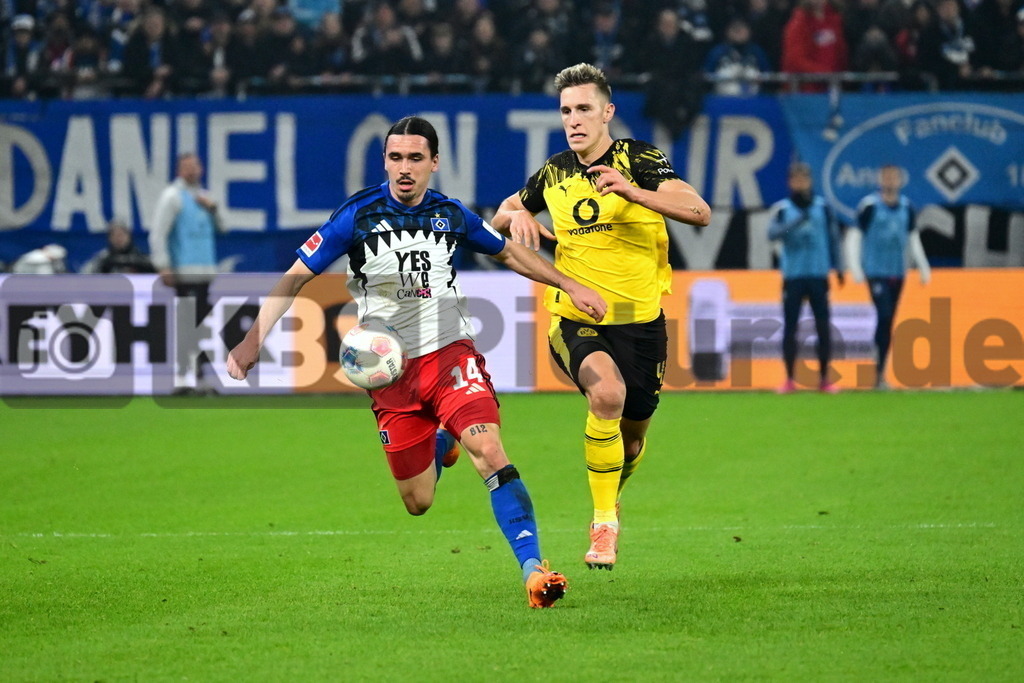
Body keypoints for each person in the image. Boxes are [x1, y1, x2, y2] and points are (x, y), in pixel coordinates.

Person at [226, 116, 608, 608]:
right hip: (390, 375)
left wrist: (570, 285)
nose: (404, 169)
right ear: (385, 161)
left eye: (414, 158)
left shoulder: (451, 215)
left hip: (450, 354)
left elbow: (510, 253)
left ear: (434, 162)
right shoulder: (356, 217)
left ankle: (535, 569)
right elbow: (295, 277)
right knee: (418, 502)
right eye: (394, 158)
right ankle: (443, 439)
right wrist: (253, 340)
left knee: (490, 450)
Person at [492, 63, 712, 571]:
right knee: (607, 394)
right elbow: (499, 219)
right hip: (576, 319)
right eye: (566, 110)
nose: (574, 119)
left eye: (584, 108)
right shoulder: (553, 172)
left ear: (607, 112)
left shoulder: (638, 159)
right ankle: (603, 525)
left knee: (632, 442)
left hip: (642, 325)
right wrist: (519, 213)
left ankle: (611, 493)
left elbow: (698, 211)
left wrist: (632, 191)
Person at [848, 165, 931, 389]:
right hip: (875, 272)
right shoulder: (870, 206)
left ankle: (880, 372)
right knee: (884, 315)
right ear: (880, 179)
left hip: (898, 271)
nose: (890, 181)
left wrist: (923, 267)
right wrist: (855, 267)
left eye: (894, 177)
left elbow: (913, 238)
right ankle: (877, 364)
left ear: (900, 180)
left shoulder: (906, 207)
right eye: (887, 177)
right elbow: (855, 236)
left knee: (889, 320)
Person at [767, 162, 844, 394]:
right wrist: (796, 221)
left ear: (810, 181)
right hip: (794, 276)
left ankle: (824, 379)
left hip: (818, 275)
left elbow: (833, 239)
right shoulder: (783, 209)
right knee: (791, 326)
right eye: (796, 179)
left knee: (822, 326)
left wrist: (838, 267)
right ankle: (790, 379)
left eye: (804, 179)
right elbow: (771, 234)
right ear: (791, 182)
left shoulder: (822, 208)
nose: (800, 183)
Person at [150, 152, 224, 393]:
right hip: (185, 272)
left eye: (195, 166)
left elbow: (224, 228)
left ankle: (197, 377)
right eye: (187, 167)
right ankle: (185, 379)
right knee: (188, 324)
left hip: (204, 272)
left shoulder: (205, 197)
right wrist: (163, 264)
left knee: (199, 324)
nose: (192, 171)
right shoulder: (172, 197)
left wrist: (214, 209)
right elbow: (158, 233)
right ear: (178, 170)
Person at [82, 219, 156, 274]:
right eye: (115, 235)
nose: (119, 239)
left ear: (129, 236)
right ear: (109, 239)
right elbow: (85, 276)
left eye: (121, 235)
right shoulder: (102, 259)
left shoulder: (142, 258)